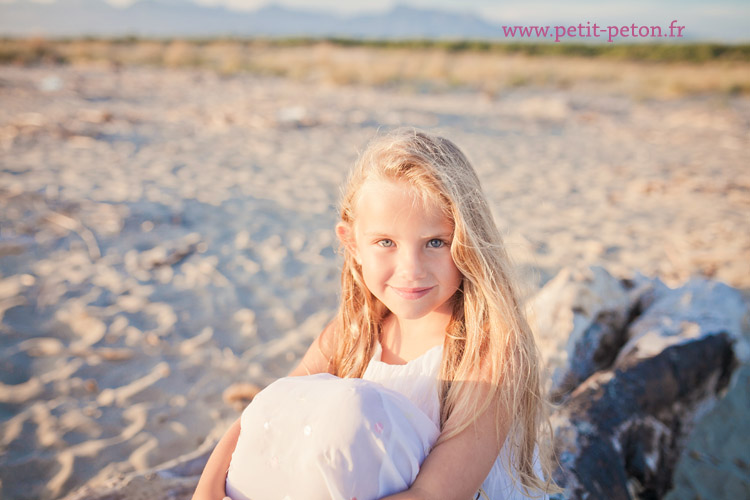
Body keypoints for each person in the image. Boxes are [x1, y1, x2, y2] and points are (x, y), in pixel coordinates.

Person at [193, 127, 557, 500]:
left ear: (468, 241)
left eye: (435, 242)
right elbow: (266, 414)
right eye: (386, 242)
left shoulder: (487, 350)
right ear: (352, 243)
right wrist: (206, 492)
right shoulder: (353, 332)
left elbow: (435, 494)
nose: (411, 269)